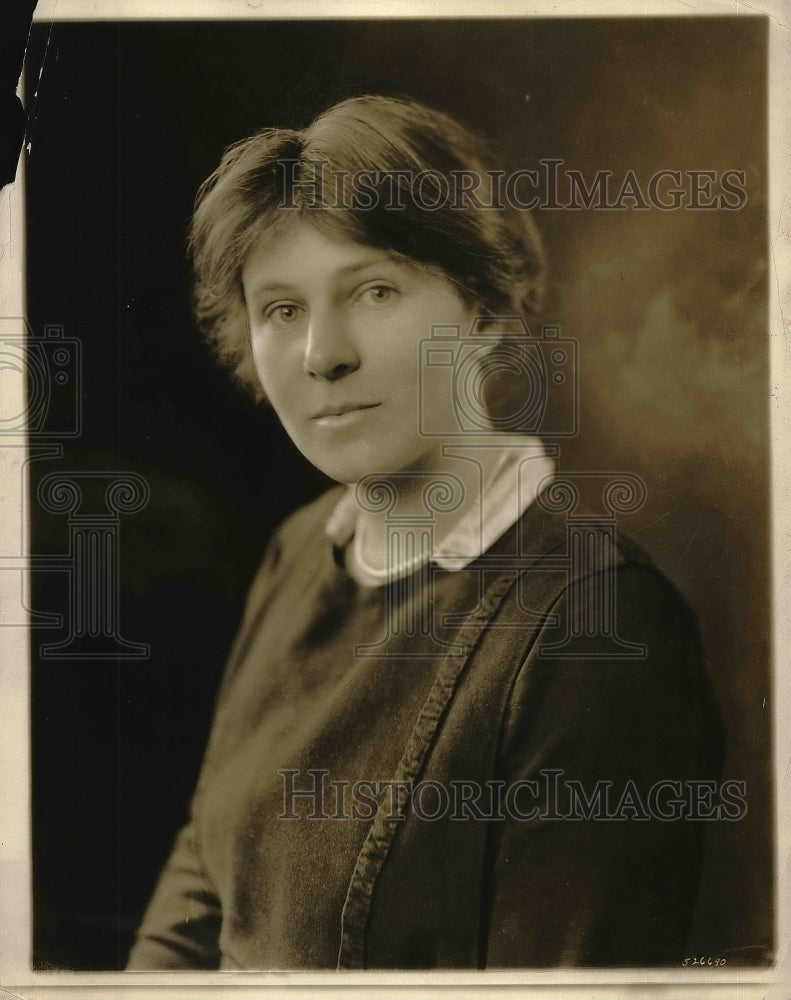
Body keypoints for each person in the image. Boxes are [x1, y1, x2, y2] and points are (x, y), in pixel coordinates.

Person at [126, 94, 722, 970]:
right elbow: (203, 893)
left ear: (481, 309)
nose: (322, 353)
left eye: (373, 290)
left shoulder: (597, 628)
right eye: (281, 309)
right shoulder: (301, 551)